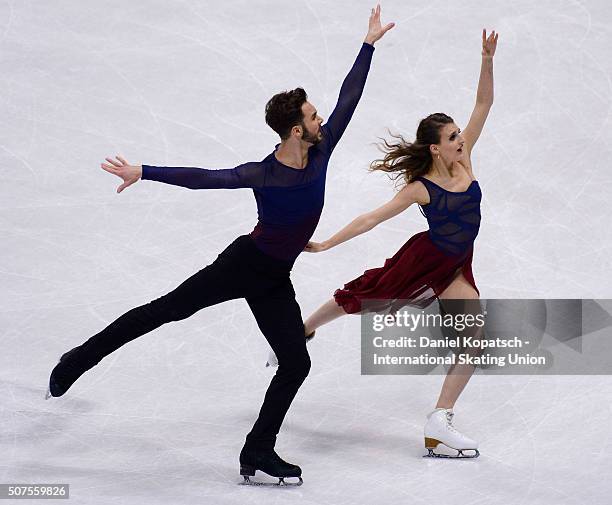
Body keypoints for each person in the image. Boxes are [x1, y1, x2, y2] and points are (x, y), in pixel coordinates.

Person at [45, 6, 394, 485]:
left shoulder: (322, 148)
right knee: (164, 311)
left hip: (274, 278)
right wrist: (143, 171)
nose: (321, 121)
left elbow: (349, 97)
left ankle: (257, 450)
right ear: (296, 130)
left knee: (296, 363)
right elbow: (204, 179)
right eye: (313, 117)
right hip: (242, 265)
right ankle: (76, 360)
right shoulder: (264, 173)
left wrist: (368, 45)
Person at [267, 29, 499, 459]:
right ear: (435, 147)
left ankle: (439, 422)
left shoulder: (465, 160)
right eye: (452, 138)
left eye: (458, 136)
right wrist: (327, 243)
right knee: (366, 294)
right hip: (425, 258)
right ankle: (301, 330)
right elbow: (371, 218)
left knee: (474, 341)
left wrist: (486, 59)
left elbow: (483, 105)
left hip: (456, 262)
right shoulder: (421, 187)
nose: (461, 140)